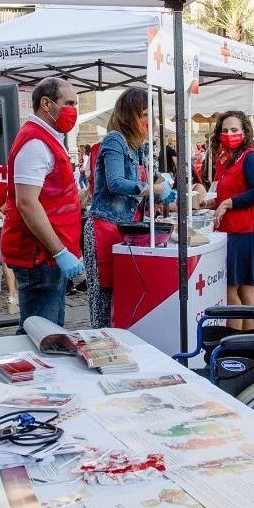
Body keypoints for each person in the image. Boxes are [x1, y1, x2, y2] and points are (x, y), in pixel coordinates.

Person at [3, 76, 84, 327]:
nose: (73, 110)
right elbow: (27, 203)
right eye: (68, 103)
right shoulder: (36, 142)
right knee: (40, 336)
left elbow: (51, 196)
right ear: (46, 104)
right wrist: (60, 252)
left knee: (47, 331)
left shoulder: (47, 138)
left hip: (48, 257)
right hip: (40, 258)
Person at [85, 88, 167, 328]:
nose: (148, 120)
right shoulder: (115, 140)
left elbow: (154, 179)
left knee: (124, 294)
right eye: (143, 114)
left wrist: (162, 185)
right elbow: (116, 182)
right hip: (105, 227)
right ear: (130, 115)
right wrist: (150, 189)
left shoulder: (139, 148)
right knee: (103, 298)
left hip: (127, 230)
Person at [204, 110, 254, 320]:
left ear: (244, 131)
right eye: (224, 130)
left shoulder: (250, 157)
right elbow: (229, 192)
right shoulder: (227, 159)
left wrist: (228, 203)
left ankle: (237, 341)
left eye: (234, 129)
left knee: (235, 288)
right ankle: (245, 342)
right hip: (233, 231)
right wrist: (211, 203)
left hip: (247, 232)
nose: (229, 134)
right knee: (241, 288)